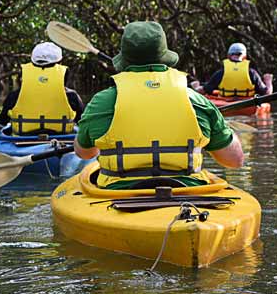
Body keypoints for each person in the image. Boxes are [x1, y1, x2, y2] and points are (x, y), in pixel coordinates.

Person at [73, 21, 244, 189]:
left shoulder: (101, 102)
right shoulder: (197, 102)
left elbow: (84, 153)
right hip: (188, 194)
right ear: (164, 56)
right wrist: (222, 125)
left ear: (124, 59)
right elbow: (234, 160)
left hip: (117, 195)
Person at [0, 42, 84, 135]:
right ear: (60, 63)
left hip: (20, 144)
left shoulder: (14, 96)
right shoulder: (72, 96)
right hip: (62, 145)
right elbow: (85, 125)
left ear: (32, 63)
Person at [197, 42, 273, 97]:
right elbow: (267, 93)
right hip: (248, 104)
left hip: (224, 103)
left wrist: (196, 86)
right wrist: (268, 81)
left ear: (228, 56)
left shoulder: (221, 72)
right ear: (245, 57)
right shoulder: (252, 73)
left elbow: (202, 91)